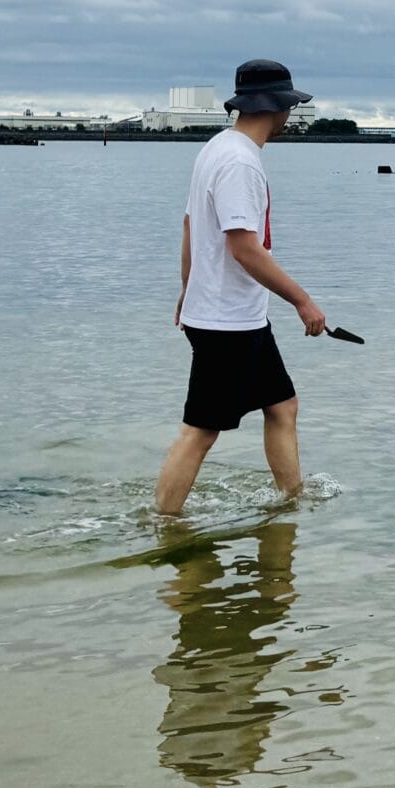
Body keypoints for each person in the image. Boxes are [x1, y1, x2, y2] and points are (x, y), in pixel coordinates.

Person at [156, 59, 329, 515]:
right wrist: (302, 301)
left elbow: (190, 225)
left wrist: (187, 288)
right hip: (226, 321)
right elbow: (244, 249)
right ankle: (162, 522)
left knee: (282, 406)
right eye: (289, 106)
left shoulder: (217, 148)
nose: (290, 115)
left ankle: (290, 504)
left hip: (238, 317)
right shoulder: (239, 163)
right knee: (201, 429)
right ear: (275, 107)